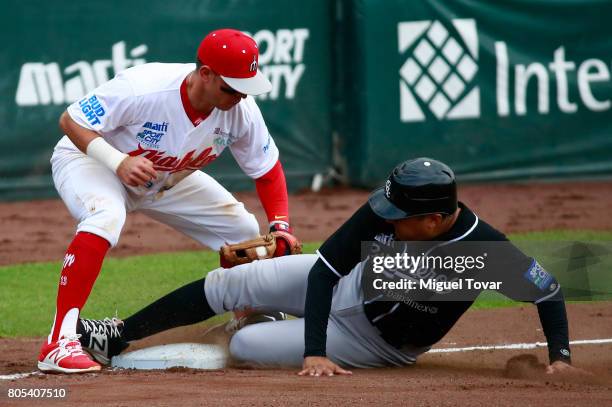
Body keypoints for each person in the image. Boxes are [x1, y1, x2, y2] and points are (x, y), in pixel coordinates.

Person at [76, 158, 576, 376]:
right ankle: (117, 335)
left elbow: (548, 289)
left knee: (246, 344)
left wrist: (561, 358)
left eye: (401, 217)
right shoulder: (387, 207)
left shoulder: (487, 252)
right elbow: (324, 272)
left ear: (434, 220)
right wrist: (314, 351)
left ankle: (270, 322)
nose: (386, 219)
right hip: (349, 285)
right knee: (231, 281)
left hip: (375, 343)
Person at [37, 28, 296, 374]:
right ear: (205, 74)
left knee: (243, 229)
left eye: (245, 87)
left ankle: (248, 317)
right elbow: (71, 121)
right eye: (231, 87)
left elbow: (267, 170)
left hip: (161, 178)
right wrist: (118, 161)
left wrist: (280, 224)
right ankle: (59, 341)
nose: (239, 96)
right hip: (90, 160)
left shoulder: (241, 111)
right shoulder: (144, 87)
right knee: (105, 217)